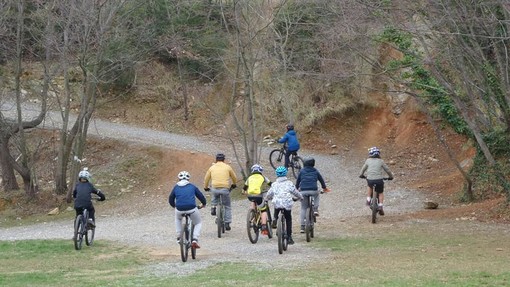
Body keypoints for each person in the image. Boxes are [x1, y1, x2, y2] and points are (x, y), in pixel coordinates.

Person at [265, 166, 303, 245]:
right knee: (288, 219)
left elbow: (269, 194)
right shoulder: (289, 183)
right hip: (286, 203)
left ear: (277, 174)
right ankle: (289, 237)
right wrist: (300, 197)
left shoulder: (274, 184)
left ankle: (275, 218)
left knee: (276, 206)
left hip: (277, 203)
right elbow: (295, 192)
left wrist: (266, 199)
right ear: (285, 174)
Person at [169, 171, 207, 248]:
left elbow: (170, 199)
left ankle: (179, 236)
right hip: (192, 208)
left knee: (178, 219)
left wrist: (174, 206)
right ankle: (194, 239)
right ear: (188, 179)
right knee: (198, 223)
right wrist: (203, 204)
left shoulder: (175, 187)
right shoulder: (192, 186)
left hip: (179, 208)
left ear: (179, 179)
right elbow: (201, 196)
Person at [204, 153, 238, 231]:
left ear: (216, 160)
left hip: (215, 187)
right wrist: (234, 184)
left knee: (214, 194)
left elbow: (206, 178)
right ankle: (227, 223)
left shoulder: (212, 168)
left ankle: (213, 207)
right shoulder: (228, 167)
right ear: (224, 160)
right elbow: (234, 177)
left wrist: (205, 187)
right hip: (225, 188)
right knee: (227, 206)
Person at [295, 157, 330, 233]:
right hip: (313, 190)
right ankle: (315, 209)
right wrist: (324, 188)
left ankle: (302, 226)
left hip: (303, 191)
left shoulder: (301, 171)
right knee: (317, 195)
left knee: (303, 208)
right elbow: (321, 180)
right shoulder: (315, 171)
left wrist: (296, 189)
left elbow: (298, 181)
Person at [359, 147, 394, 215]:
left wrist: (361, 175)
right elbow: (387, 170)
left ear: (370, 154)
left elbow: (363, 169)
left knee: (369, 186)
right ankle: (380, 205)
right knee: (380, 192)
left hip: (370, 179)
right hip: (379, 180)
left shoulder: (368, 160)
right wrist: (391, 177)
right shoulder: (381, 161)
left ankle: (368, 199)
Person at [243, 164, 272, 236]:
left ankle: (252, 214)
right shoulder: (262, 177)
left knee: (253, 200)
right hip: (259, 195)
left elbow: (244, 188)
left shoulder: (249, 178)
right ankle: (264, 225)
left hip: (250, 195)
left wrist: (243, 192)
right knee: (263, 210)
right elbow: (271, 184)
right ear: (260, 170)